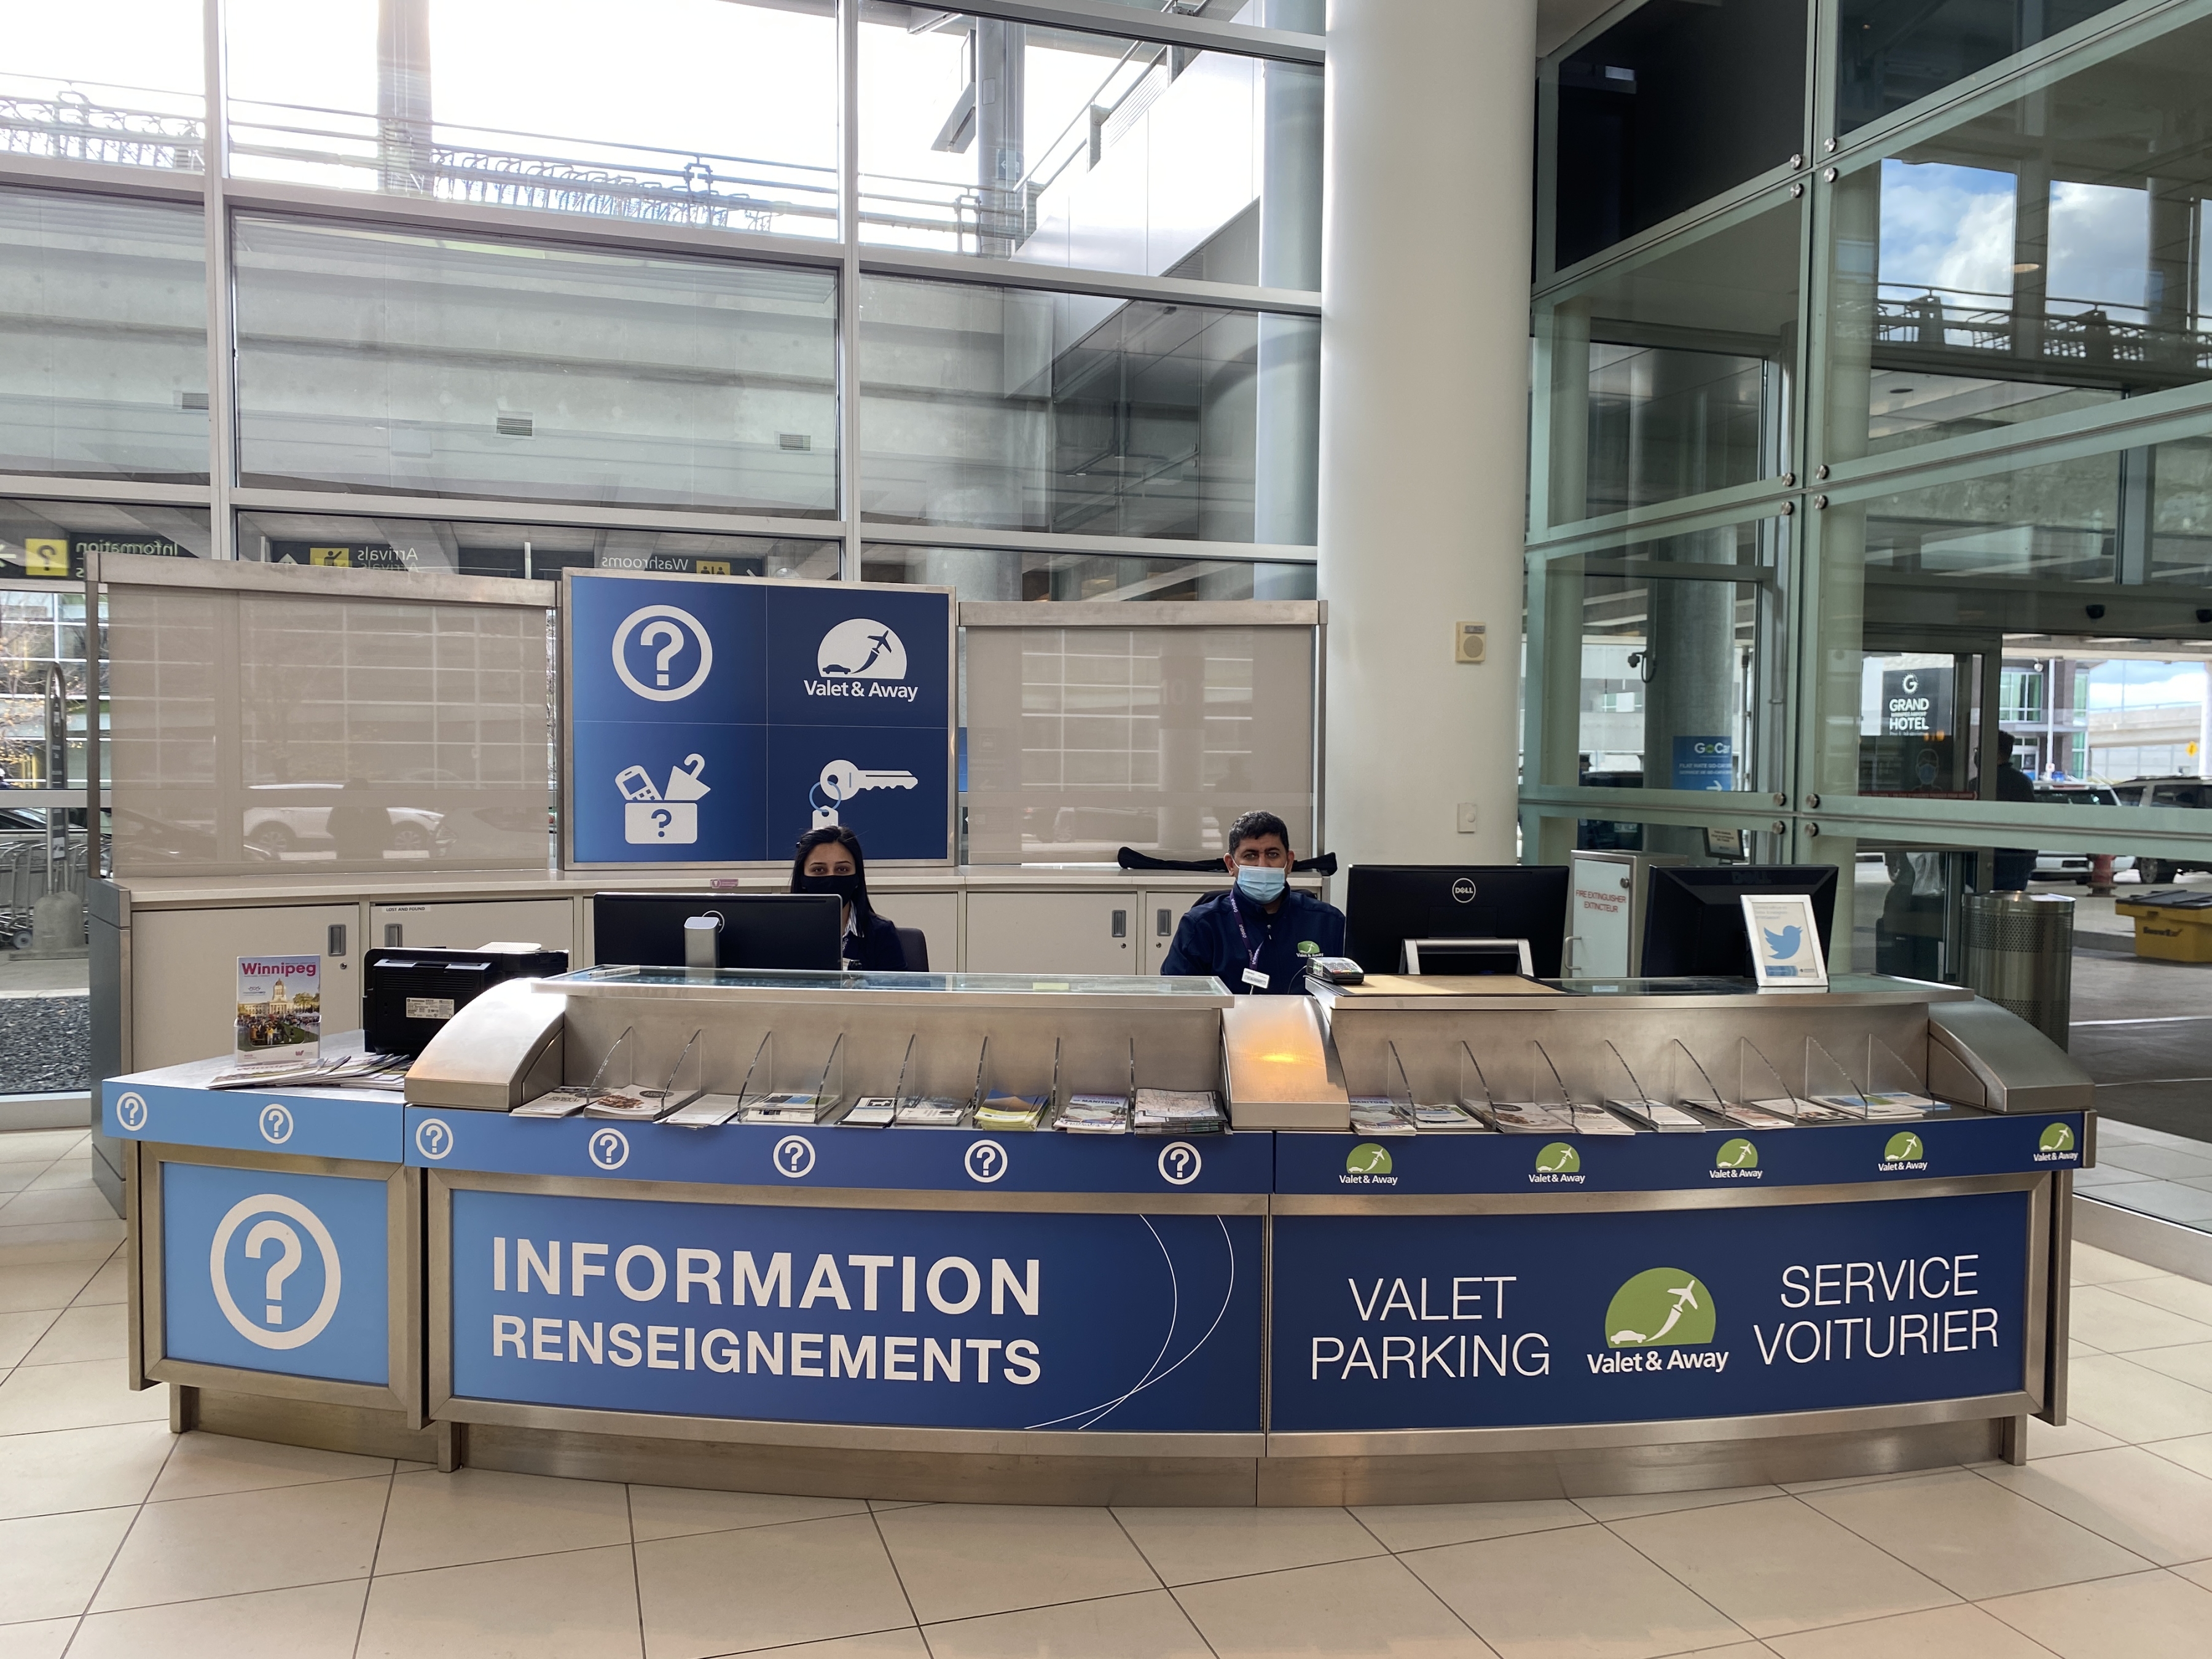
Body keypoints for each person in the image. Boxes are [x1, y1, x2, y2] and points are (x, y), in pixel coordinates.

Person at [1160, 810, 1344, 994]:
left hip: (1308, 1022)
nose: (1262, 865)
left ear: (1288, 863)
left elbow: (1355, 995)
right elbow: (1179, 1001)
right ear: (1231, 865)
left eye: (1272, 855)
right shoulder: (1201, 926)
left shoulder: (1328, 922)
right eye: (1250, 856)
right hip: (1228, 1022)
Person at [789, 826, 912, 970]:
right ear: (803, 879)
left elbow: (894, 992)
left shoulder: (882, 933)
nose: (831, 877)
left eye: (842, 869)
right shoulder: (782, 933)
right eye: (819, 870)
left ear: (857, 877)